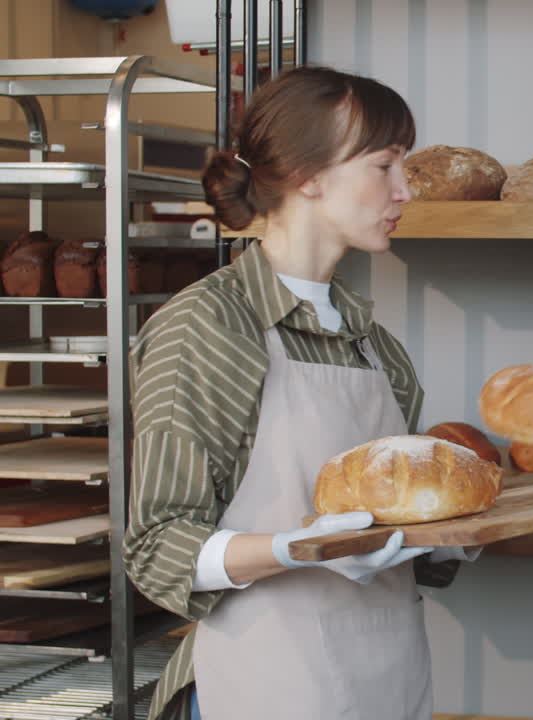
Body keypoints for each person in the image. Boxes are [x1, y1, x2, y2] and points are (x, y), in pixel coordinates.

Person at [124, 66, 475, 720]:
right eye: (385, 165)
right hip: (264, 684)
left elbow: (406, 555)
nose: (405, 189)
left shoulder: (375, 343)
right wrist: (295, 549)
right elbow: (156, 548)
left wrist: (456, 527)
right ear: (310, 177)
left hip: (387, 681)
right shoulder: (211, 328)